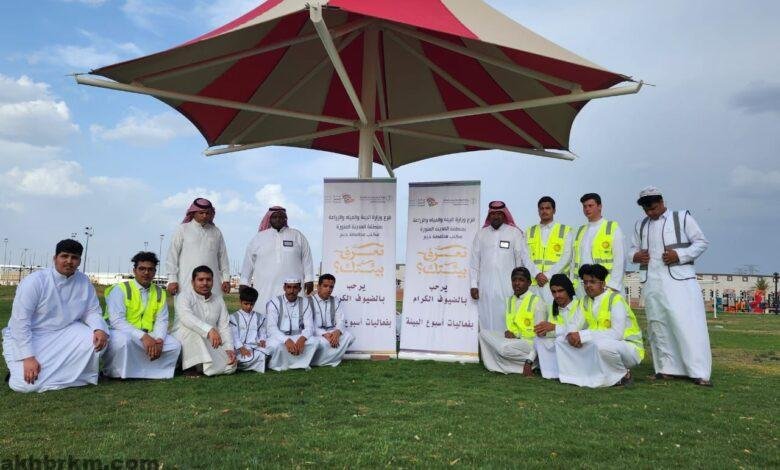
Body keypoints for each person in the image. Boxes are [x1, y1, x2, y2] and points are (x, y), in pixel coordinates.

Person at [629, 186, 712, 386]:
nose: (650, 212)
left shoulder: (681, 218)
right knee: (658, 325)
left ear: (661, 202)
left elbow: (701, 242)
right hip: (652, 282)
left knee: (687, 325)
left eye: (653, 207)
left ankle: (699, 372)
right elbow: (631, 250)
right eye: (646, 209)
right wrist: (636, 256)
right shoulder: (641, 225)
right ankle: (666, 369)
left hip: (680, 282)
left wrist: (680, 255)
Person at [2, 239, 109, 393]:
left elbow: (91, 311)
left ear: (79, 261)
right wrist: (28, 357)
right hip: (31, 336)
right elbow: (20, 322)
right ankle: (27, 371)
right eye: (64, 256)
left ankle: (74, 376)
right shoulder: (35, 281)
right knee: (24, 385)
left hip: (64, 333)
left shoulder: (83, 281)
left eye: (74, 258)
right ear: (55, 258)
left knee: (97, 340)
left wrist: (99, 328)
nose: (69, 261)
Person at [556, 264, 644, 388]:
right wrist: (571, 334)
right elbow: (574, 323)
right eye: (585, 282)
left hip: (628, 347)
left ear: (603, 283)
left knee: (602, 346)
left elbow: (617, 334)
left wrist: (583, 335)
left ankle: (624, 375)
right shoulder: (585, 301)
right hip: (599, 342)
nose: (588, 285)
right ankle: (575, 376)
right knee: (561, 340)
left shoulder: (615, 299)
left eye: (592, 282)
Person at [103, 252, 181, 379]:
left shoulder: (159, 292)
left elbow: (162, 320)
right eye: (142, 269)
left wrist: (159, 340)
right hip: (122, 332)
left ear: (155, 272)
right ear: (134, 271)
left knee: (174, 345)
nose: (146, 273)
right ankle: (116, 373)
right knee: (123, 342)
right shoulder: (120, 289)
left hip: (149, 334)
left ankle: (151, 373)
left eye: (150, 269)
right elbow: (117, 321)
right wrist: (143, 337)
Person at [470, 201, 534, 331]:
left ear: (504, 215)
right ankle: (487, 344)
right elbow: (474, 262)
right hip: (485, 286)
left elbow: (520, 260)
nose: (496, 216)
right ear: (489, 215)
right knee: (486, 318)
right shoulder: (481, 234)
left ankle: (505, 344)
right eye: (493, 214)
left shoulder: (514, 233)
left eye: (499, 213)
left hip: (508, 286)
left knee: (507, 316)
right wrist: (473, 285)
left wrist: (519, 284)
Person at [240, 206, 314, 309]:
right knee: (264, 310)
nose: (278, 219)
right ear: (269, 219)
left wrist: (309, 279)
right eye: (275, 217)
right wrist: (244, 282)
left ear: (285, 219)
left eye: (281, 217)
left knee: (294, 313)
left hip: (292, 288)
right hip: (265, 288)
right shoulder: (258, 238)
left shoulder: (297, 236)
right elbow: (248, 262)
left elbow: (307, 258)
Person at [478, 267, 546, 376]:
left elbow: (540, 337)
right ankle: (501, 364)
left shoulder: (537, 302)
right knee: (483, 334)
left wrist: (529, 360)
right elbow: (512, 324)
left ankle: (530, 363)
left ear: (529, 283)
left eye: (521, 280)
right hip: (513, 342)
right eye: (514, 280)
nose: (517, 283)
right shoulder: (509, 300)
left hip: (529, 344)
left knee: (504, 348)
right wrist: (508, 332)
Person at [171, 265, 236, 376]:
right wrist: (209, 330)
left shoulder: (218, 299)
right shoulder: (184, 296)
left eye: (208, 279)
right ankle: (190, 367)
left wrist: (229, 348)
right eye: (200, 280)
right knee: (192, 332)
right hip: (184, 339)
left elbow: (224, 326)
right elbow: (186, 317)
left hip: (209, 341)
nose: (205, 283)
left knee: (231, 365)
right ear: (193, 282)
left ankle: (202, 366)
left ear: (213, 281)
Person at [166, 198, 231, 298]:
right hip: (186, 283)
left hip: (212, 285)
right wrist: (172, 279)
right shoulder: (182, 229)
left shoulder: (216, 232)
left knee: (213, 307)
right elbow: (172, 256)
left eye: (207, 213)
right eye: (201, 213)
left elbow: (223, 257)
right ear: (193, 213)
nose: (205, 215)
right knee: (186, 306)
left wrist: (226, 279)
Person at [571, 193, 626, 298]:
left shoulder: (612, 228)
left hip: (605, 285)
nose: (587, 209)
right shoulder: (580, 231)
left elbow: (620, 259)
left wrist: (613, 285)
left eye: (590, 206)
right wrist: (573, 283)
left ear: (600, 206)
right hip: (583, 287)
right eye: (584, 206)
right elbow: (574, 260)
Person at [532, 273, 583, 380]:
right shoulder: (553, 308)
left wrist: (553, 327)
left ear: (568, 290)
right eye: (554, 292)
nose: (557, 295)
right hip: (560, 347)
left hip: (577, 346)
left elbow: (576, 330)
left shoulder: (580, 305)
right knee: (539, 339)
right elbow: (551, 334)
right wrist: (543, 332)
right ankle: (552, 372)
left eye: (560, 291)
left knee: (562, 340)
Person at [526, 196, 573, 304]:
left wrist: (547, 275)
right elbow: (525, 256)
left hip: (555, 284)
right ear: (538, 211)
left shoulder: (565, 230)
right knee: (534, 312)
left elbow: (567, 257)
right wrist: (537, 274)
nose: (544, 211)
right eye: (541, 208)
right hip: (534, 283)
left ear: (554, 210)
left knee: (554, 312)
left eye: (548, 208)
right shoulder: (530, 231)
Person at [266, 278, 317, 371]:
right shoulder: (274, 302)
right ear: (284, 288)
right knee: (275, 346)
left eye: (295, 288)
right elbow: (271, 328)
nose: (292, 291)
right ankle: (280, 365)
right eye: (289, 287)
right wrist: (286, 340)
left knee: (314, 341)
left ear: (299, 289)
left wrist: (302, 339)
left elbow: (309, 326)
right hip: (279, 337)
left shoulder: (305, 302)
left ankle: (300, 364)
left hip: (298, 336)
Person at [310, 274, 355, 367]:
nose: (328, 289)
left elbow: (341, 319)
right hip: (316, 334)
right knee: (317, 343)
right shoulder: (309, 301)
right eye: (325, 286)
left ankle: (328, 360)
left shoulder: (335, 300)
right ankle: (323, 361)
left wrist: (337, 332)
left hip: (332, 332)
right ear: (318, 287)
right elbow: (309, 324)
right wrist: (324, 334)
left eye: (331, 287)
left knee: (349, 337)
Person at [229, 286, 270, 374]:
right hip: (238, 348)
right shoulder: (233, 317)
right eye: (246, 304)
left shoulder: (259, 317)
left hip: (254, 347)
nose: (249, 307)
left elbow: (262, 331)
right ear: (240, 301)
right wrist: (240, 347)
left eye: (251, 304)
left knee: (266, 352)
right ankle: (243, 363)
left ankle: (242, 364)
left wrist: (262, 339)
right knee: (235, 356)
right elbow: (234, 336)